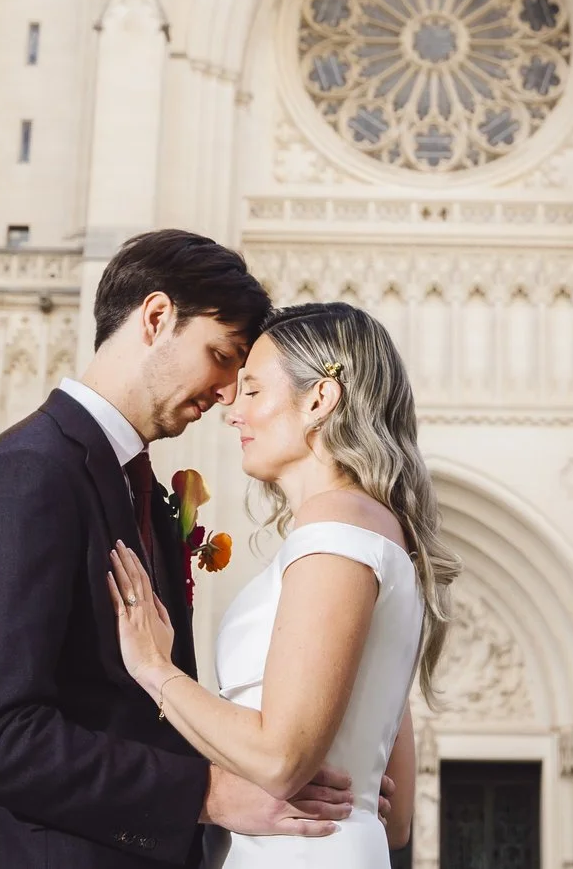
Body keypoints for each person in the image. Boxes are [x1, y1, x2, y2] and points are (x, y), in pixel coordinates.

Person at [0, 232, 361, 869]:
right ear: (158, 317)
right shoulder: (29, 472)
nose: (227, 393)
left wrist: (300, 772)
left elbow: (140, 712)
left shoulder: (140, 488)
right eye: (220, 355)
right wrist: (211, 793)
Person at [105, 302, 458, 869]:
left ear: (319, 400)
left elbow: (280, 760)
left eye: (252, 391)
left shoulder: (337, 526)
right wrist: (356, 789)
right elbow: (396, 818)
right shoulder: (370, 528)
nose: (232, 410)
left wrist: (155, 669)